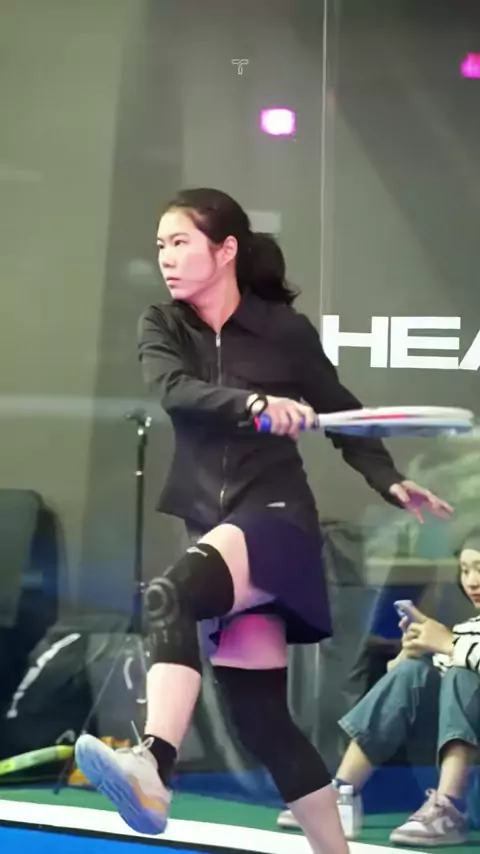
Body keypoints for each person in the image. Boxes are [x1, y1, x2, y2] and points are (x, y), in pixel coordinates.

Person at [74, 188, 452, 852]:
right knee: (262, 719)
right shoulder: (162, 324)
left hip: (275, 520)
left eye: (181, 242)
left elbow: (342, 411)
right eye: (160, 245)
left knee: (169, 595)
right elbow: (175, 392)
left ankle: (154, 767)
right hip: (210, 525)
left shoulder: (285, 331)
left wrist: (388, 478)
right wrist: (254, 404)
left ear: (226, 250)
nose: (166, 257)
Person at [279, 530, 480, 846]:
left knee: (462, 673)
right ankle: (342, 793)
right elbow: (410, 687)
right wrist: (409, 654)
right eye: (465, 570)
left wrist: (449, 645)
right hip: (460, 777)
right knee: (415, 671)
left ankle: (449, 808)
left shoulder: (457, 638)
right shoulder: (467, 631)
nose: (472, 581)